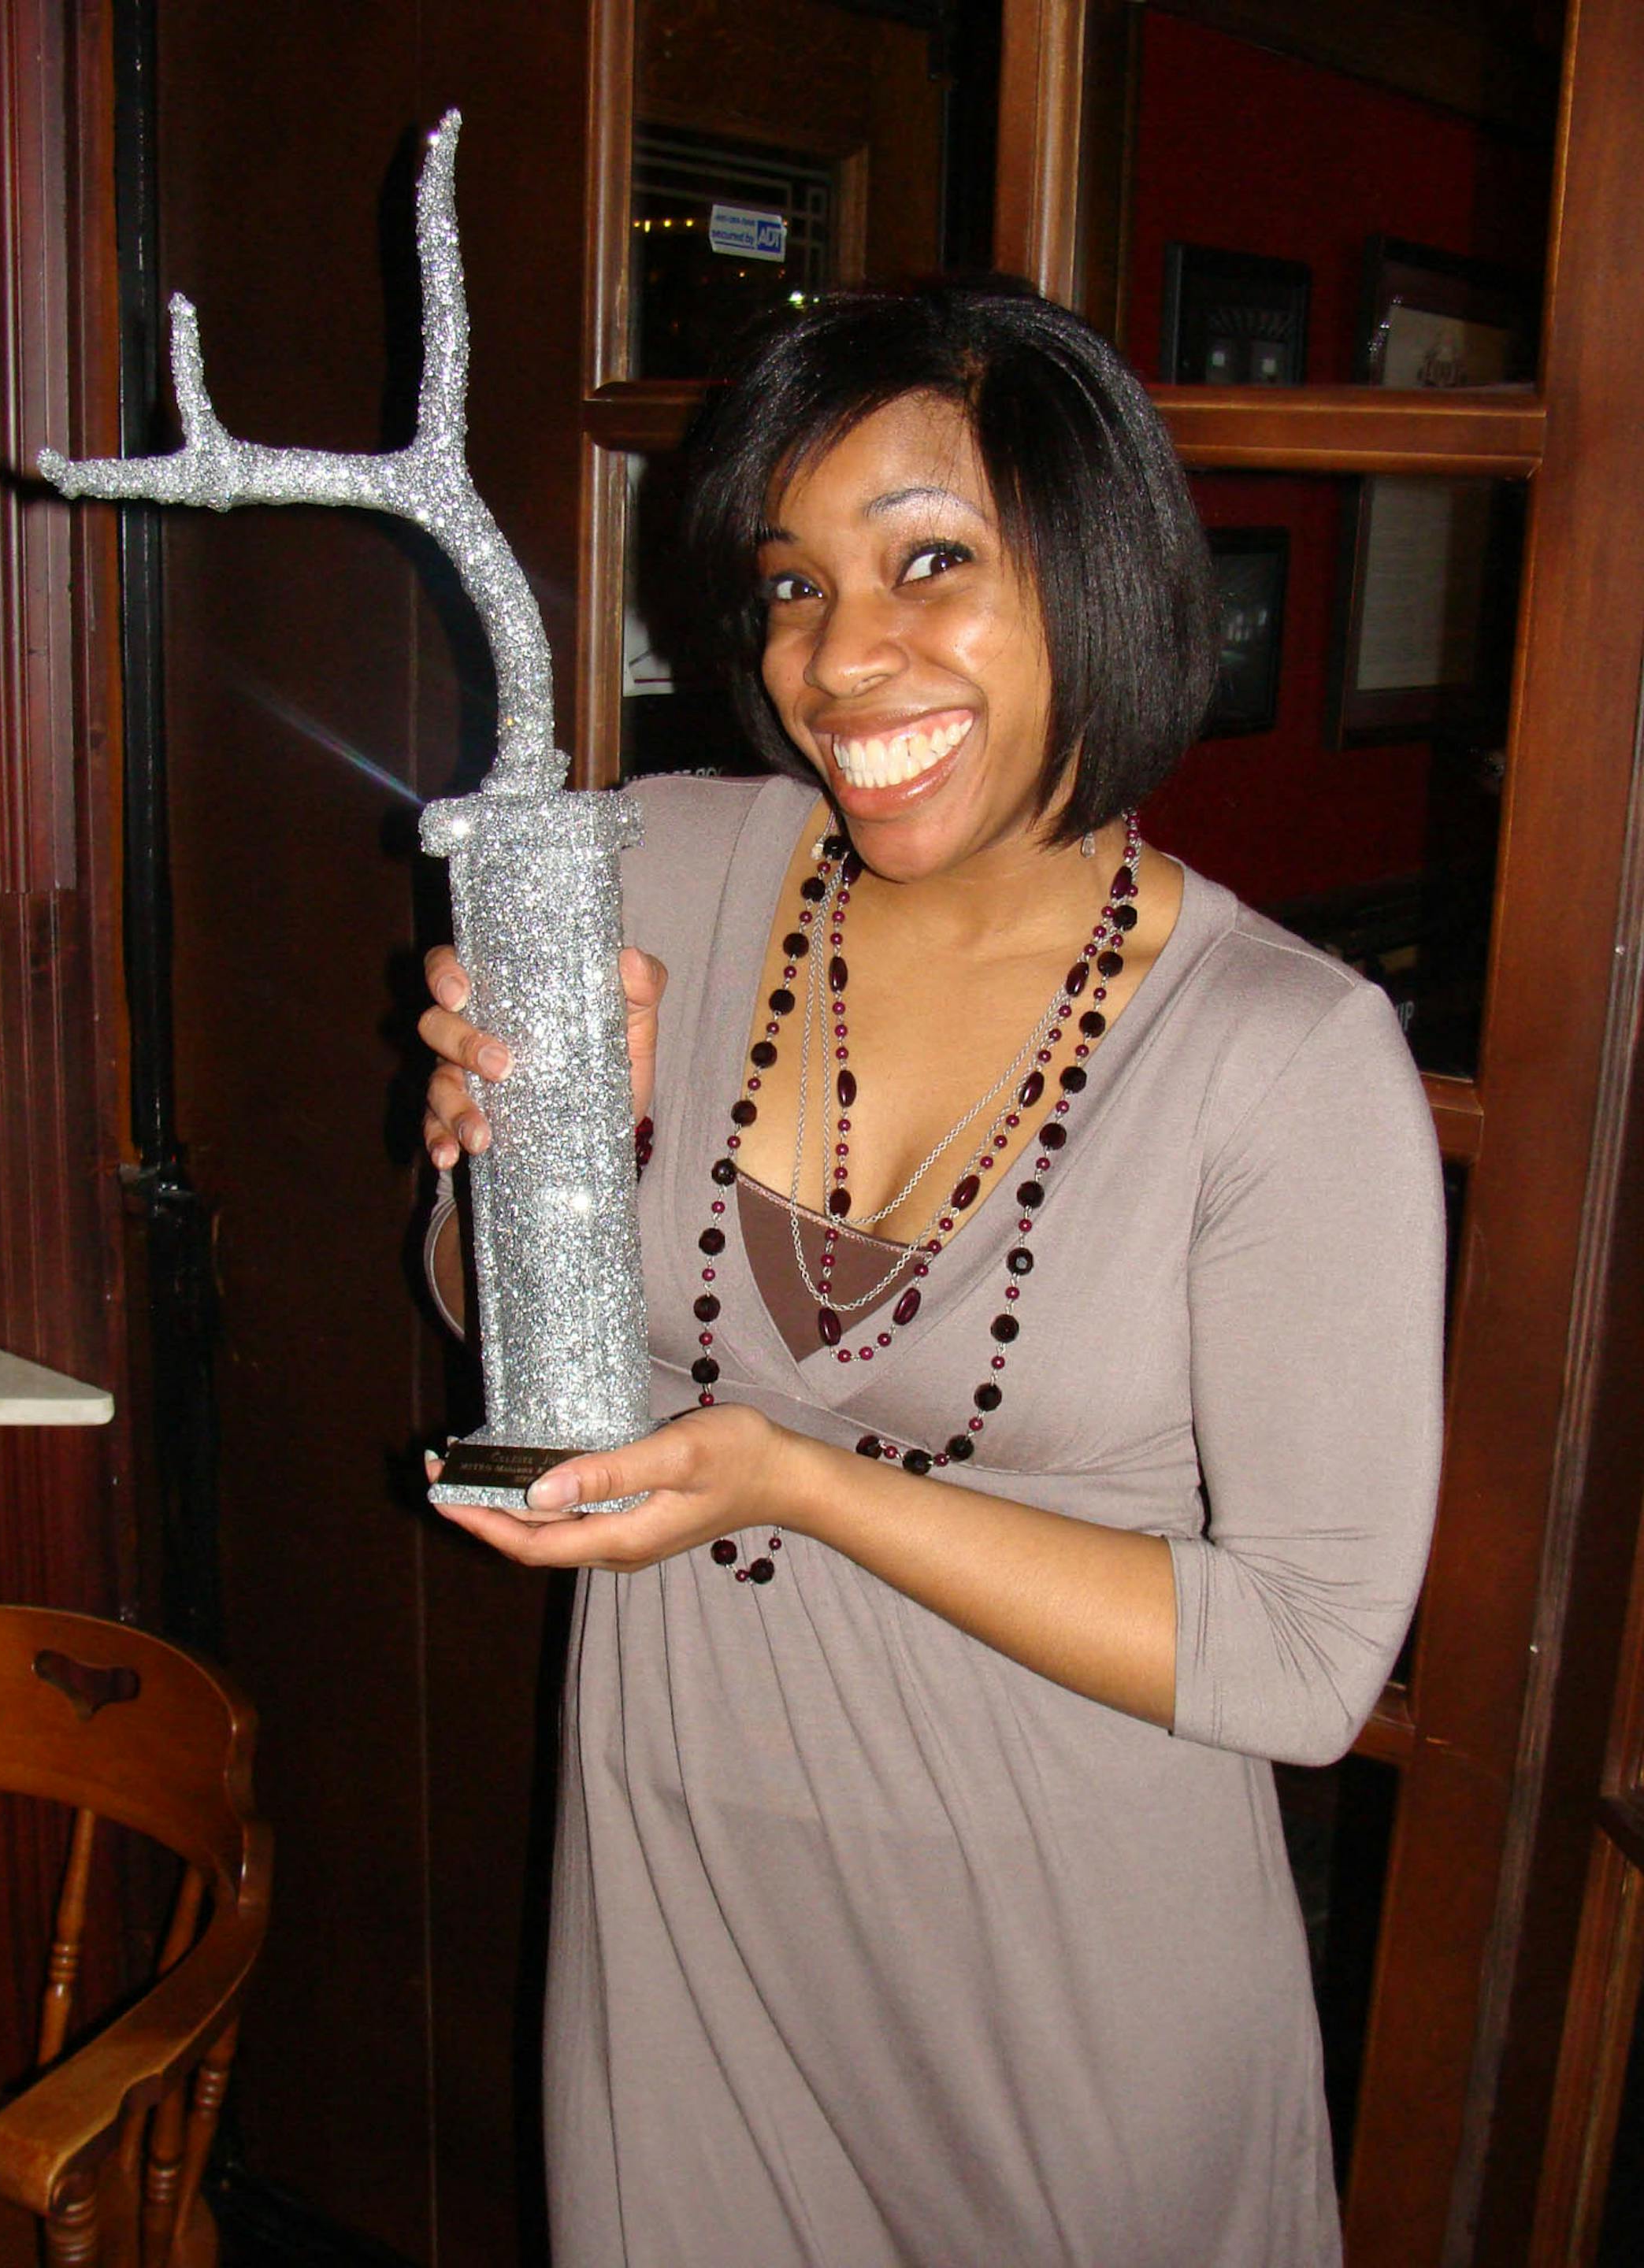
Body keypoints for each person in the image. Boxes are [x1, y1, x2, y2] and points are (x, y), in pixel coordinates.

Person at [419, 280, 1444, 2268]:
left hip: (1066, 1977)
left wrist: (805, 1480)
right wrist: (519, 1154)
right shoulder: (679, 864)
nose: (840, 659)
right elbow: (505, 1326)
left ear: (1100, 567)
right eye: (792, 586)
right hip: (689, 1901)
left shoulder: (1279, 1052)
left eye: (930, 564)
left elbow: (1312, 1666)